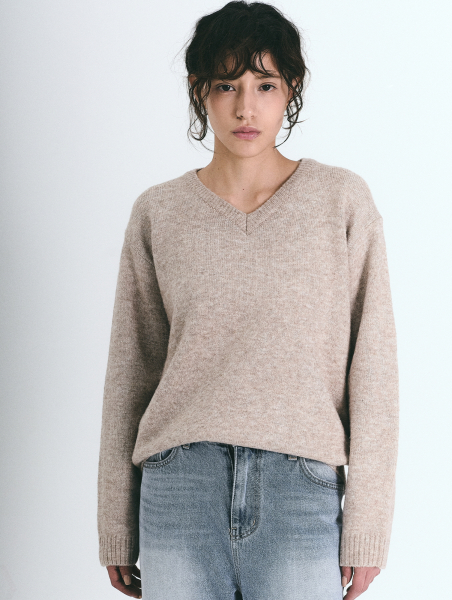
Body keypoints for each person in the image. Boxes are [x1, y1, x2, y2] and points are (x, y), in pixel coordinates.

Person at [97, 2, 400, 599]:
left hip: (300, 491)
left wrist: (368, 525)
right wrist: (115, 524)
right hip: (178, 489)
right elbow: (130, 372)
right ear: (199, 90)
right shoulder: (159, 213)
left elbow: (374, 367)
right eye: (225, 85)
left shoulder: (339, 201)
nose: (245, 107)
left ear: (291, 89)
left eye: (265, 85)